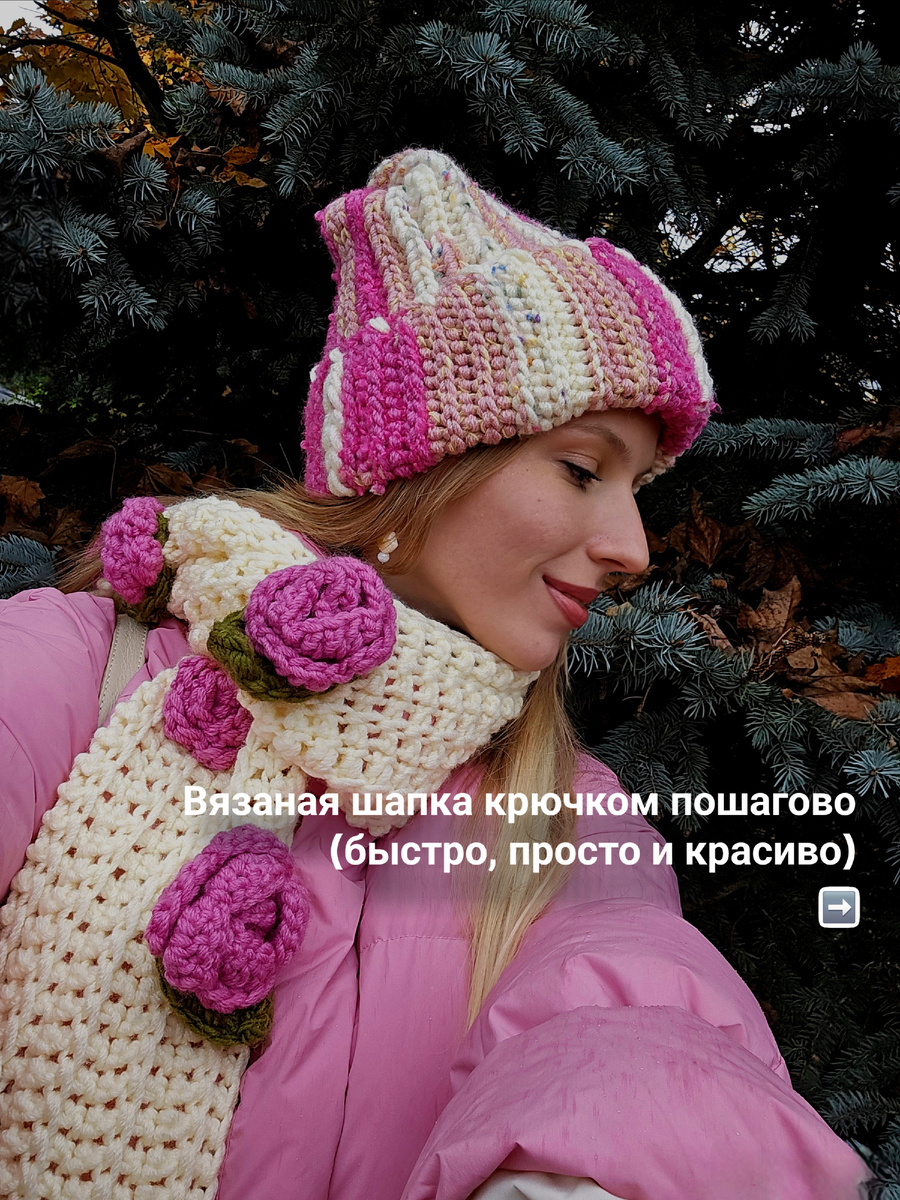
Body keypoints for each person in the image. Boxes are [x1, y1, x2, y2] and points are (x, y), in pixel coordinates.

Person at [0, 149, 870, 1200]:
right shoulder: (74, 675)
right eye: (583, 469)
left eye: (638, 488)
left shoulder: (564, 815)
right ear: (419, 468)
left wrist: (586, 1177)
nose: (634, 548)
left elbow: (631, 1002)